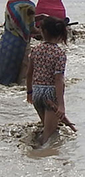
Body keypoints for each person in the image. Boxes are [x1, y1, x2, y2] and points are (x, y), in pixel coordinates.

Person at [24, 17, 69, 147]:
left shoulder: (35, 50)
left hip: (37, 92)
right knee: (49, 134)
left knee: (47, 127)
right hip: (50, 94)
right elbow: (58, 79)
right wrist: (61, 105)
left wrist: (29, 92)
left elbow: (29, 74)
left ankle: (38, 152)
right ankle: (38, 153)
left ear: (42, 31)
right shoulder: (59, 53)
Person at [1, 0, 38, 85]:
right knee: (23, 76)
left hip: (6, 41)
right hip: (21, 44)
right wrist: (44, 31)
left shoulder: (10, 2)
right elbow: (31, 29)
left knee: (5, 71)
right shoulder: (29, 6)